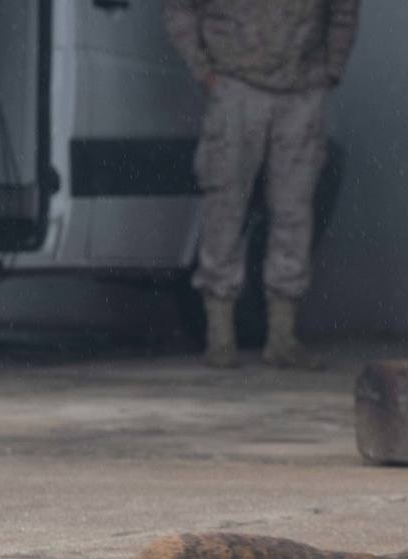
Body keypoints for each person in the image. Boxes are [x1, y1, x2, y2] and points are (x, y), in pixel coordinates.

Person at [163, 0, 359, 369]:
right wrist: (202, 69)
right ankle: (220, 336)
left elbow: (344, 10)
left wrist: (332, 67)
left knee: (294, 210)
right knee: (225, 206)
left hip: (301, 90)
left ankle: (282, 337)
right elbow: (177, 7)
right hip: (237, 84)